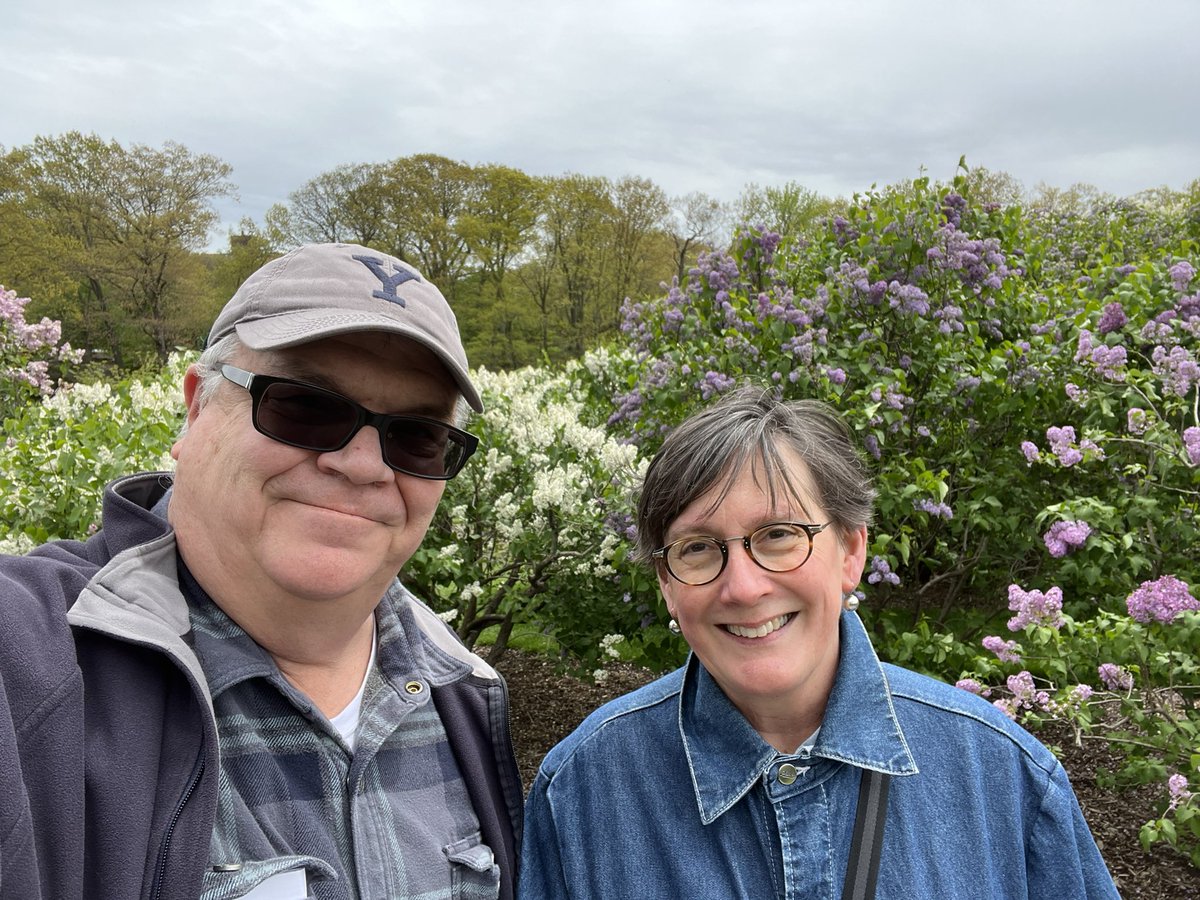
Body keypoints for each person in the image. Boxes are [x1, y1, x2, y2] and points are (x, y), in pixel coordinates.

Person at [0, 243, 523, 900]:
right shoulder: (32, 660)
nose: (362, 465)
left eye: (416, 436)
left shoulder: (463, 690)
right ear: (194, 411)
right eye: (305, 406)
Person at [519, 387, 1119, 899]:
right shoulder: (583, 791)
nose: (744, 587)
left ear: (851, 552)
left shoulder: (1000, 776)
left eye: (779, 535)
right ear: (667, 585)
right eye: (698, 548)